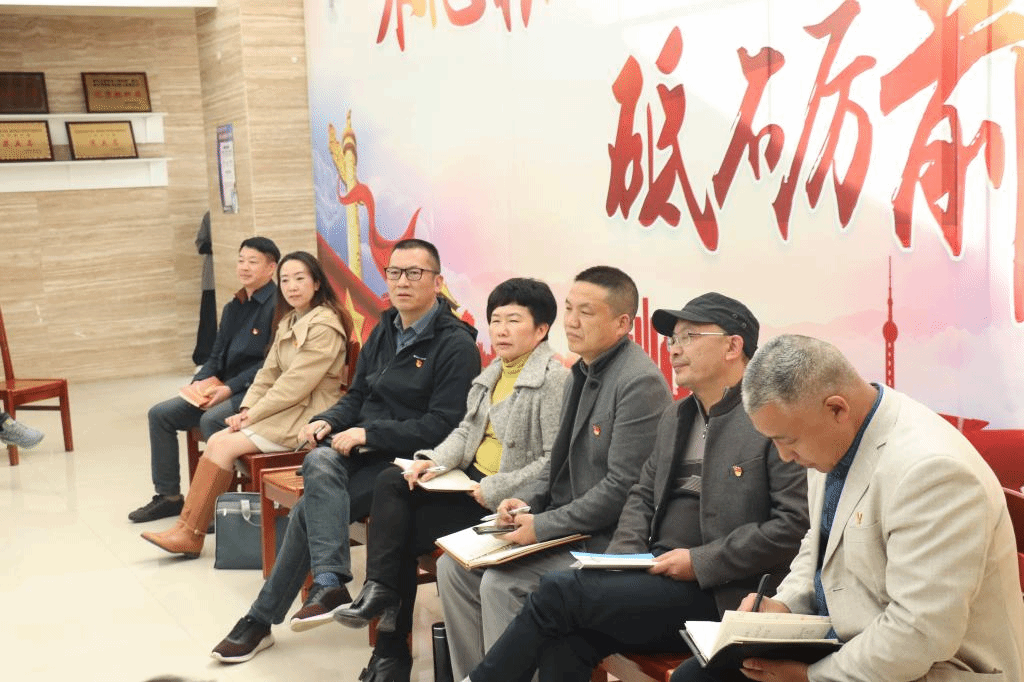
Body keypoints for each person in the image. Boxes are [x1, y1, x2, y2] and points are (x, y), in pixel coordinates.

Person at [463, 292, 810, 682]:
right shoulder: (677, 416)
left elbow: (791, 526)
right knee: (567, 637)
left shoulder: (769, 420)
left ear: (733, 347)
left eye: (689, 337)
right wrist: (620, 564)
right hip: (656, 575)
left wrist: (700, 562)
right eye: (672, 339)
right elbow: (642, 495)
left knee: (558, 591)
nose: (674, 349)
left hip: (723, 594)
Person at [672, 334, 1024, 682]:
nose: (785, 456)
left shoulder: (931, 471)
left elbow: (918, 634)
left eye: (787, 440)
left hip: (933, 667)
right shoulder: (831, 433)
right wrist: (784, 605)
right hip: (854, 639)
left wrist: (809, 676)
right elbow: (821, 543)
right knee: (697, 675)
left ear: (837, 408)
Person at [210, 238, 481, 665]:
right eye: (394, 273)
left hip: (409, 464)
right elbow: (357, 395)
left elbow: (444, 426)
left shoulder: (455, 345)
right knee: (319, 457)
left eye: (415, 273)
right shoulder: (385, 328)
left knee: (310, 509)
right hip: (364, 449)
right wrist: (329, 420)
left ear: (437, 282)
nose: (402, 282)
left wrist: (369, 432)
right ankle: (328, 582)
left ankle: (264, 618)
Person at [437, 265, 673, 681]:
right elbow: (557, 463)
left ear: (622, 323)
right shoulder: (581, 370)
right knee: (453, 569)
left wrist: (542, 526)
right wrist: (524, 503)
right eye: (569, 309)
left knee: (501, 585)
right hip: (566, 524)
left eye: (587, 312)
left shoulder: (639, 382)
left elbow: (622, 489)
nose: (572, 322)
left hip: (606, 538)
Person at [331, 278, 570, 681]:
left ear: (541, 329)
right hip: (467, 484)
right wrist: (432, 461)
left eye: (514, 321)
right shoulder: (494, 371)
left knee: (399, 537)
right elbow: (465, 432)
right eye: (496, 320)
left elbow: (553, 463)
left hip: (502, 500)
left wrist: (493, 488)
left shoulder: (554, 380)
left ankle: (390, 650)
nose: (501, 330)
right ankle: (381, 595)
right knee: (395, 480)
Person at [140, 251, 353, 558]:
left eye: (300, 279)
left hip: (309, 416)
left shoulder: (324, 326)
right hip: (285, 410)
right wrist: (246, 409)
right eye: (285, 280)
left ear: (317, 283)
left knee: (223, 445)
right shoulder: (290, 320)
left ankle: (190, 533)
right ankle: (187, 528)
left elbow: (295, 385)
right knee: (218, 439)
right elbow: (268, 373)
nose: (292, 286)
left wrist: (254, 415)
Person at [129, 236, 280, 523]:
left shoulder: (278, 307)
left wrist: (229, 389)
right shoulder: (234, 305)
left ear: (271, 268)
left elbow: (270, 365)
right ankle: (169, 497)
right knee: (160, 414)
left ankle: (217, 508)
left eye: (253, 262)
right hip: (221, 388)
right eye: (241, 260)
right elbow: (215, 355)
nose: (244, 267)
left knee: (212, 420)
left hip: (251, 392)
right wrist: (198, 383)